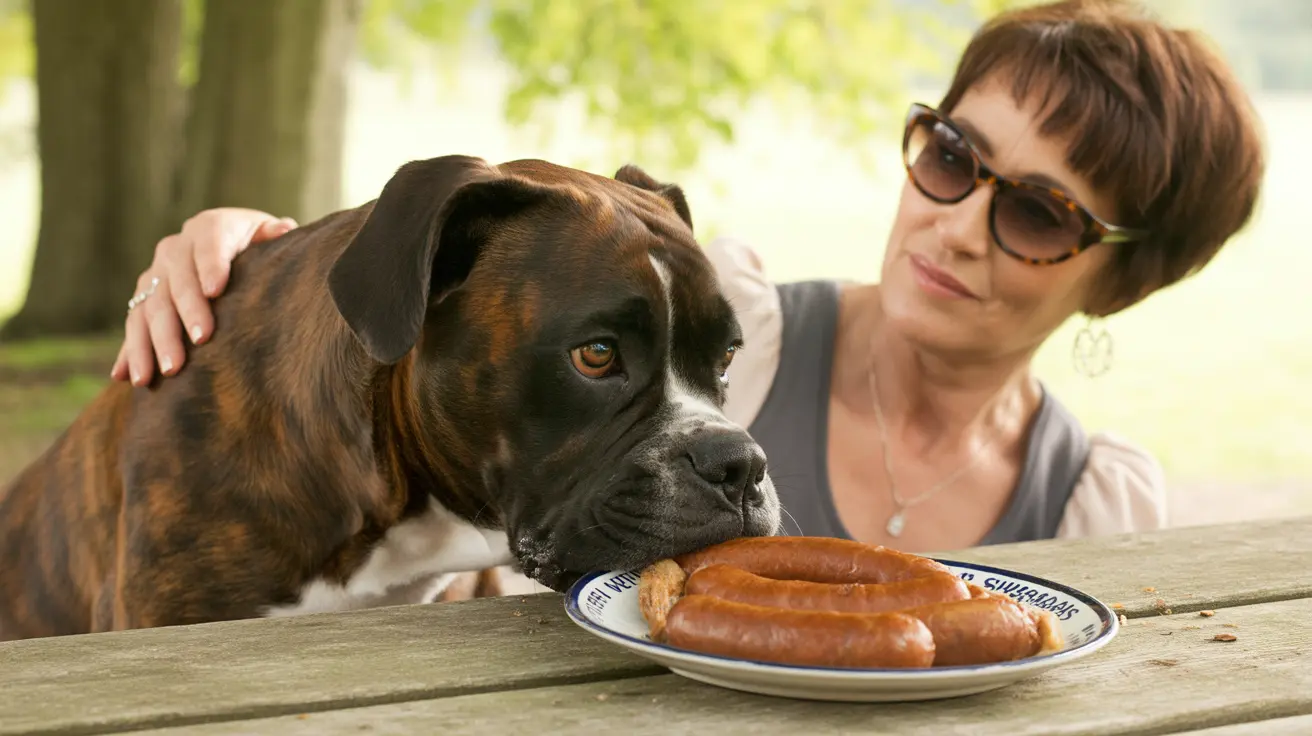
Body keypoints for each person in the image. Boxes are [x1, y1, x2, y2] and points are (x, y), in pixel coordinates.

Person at [112, 0, 1264, 559]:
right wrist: (253, 254)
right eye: (954, 154)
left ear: (1120, 281)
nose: (957, 222)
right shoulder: (728, 330)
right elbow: (492, 275)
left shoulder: (1095, 515)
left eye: (1034, 212)